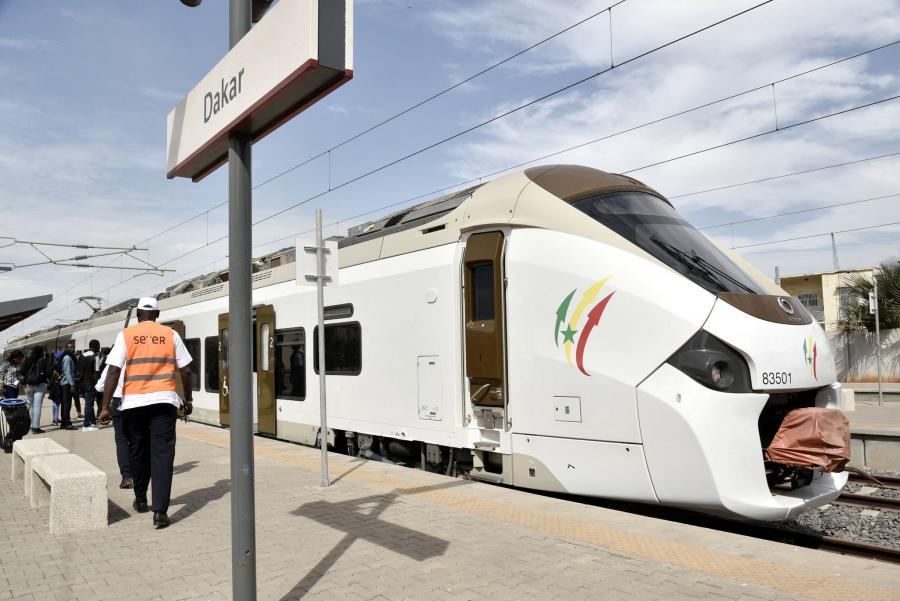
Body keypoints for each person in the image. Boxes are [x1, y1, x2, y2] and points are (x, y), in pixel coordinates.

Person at [99, 297, 193, 529]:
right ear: (157, 314)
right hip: (164, 402)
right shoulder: (170, 334)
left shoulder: (126, 335)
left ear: (139, 314)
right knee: (163, 456)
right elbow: (186, 369)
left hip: (133, 404)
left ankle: (141, 499)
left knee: (138, 450)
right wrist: (188, 399)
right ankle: (160, 512)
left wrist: (104, 406)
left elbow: (113, 370)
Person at [96, 363, 132, 489]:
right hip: (138, 402)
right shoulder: (140, 359)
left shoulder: (115, 362)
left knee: (121, 440)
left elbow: (100, 386)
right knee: (138, 438)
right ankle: (140, 472)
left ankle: (127, 476)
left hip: (118, 402)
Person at [21, 347, 50, 434]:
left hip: (28, 385)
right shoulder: (44, 361)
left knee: (32, 405)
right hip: (40, 385)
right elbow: (49, 372)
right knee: (37, 406)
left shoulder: (27, 360)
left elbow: (22, 371)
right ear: (41, 352)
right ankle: (36, 427)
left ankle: (29, 425)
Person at [78, 340, 102, 430]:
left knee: (89, 403)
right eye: (98, 345)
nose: (99, 347)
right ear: (95, 346)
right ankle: (86, 425)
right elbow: (96, 373)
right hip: (91, 383)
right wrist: (97, 384)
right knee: (89, 404)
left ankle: (92, 422)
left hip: (82, 383)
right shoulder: (95, 357)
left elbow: (79, 369)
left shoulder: (82, 356)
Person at [58, 341, 77, 430]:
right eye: (70, 347)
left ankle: (63, 422)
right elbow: (68, 372)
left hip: (65, 384)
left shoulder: (67, 357)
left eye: (73, 347)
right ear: (66, 348)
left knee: (65, 404)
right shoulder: (67, 358)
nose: (72, 349)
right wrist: (72, 384)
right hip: (66, 384)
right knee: (67, 404)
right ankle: (67, 423)